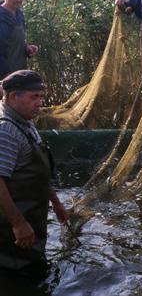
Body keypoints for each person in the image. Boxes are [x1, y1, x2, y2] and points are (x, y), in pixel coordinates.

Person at [0, 69, 69, 279]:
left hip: (31, 218)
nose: (40, 103)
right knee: (16, 277)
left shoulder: (25, 121)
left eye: (41, 97)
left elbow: (38, 172)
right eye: (34, 97)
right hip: (11, 230)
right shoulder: (6, 131)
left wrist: (56, 203)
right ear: (13, 97)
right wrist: (19, 224)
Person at [0, 0, 38, 80]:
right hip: (5, 76)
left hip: (19, 72)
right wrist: (6, 75)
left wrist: (26, 48)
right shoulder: (1, 17)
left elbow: (12, 42)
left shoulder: (19, 14)